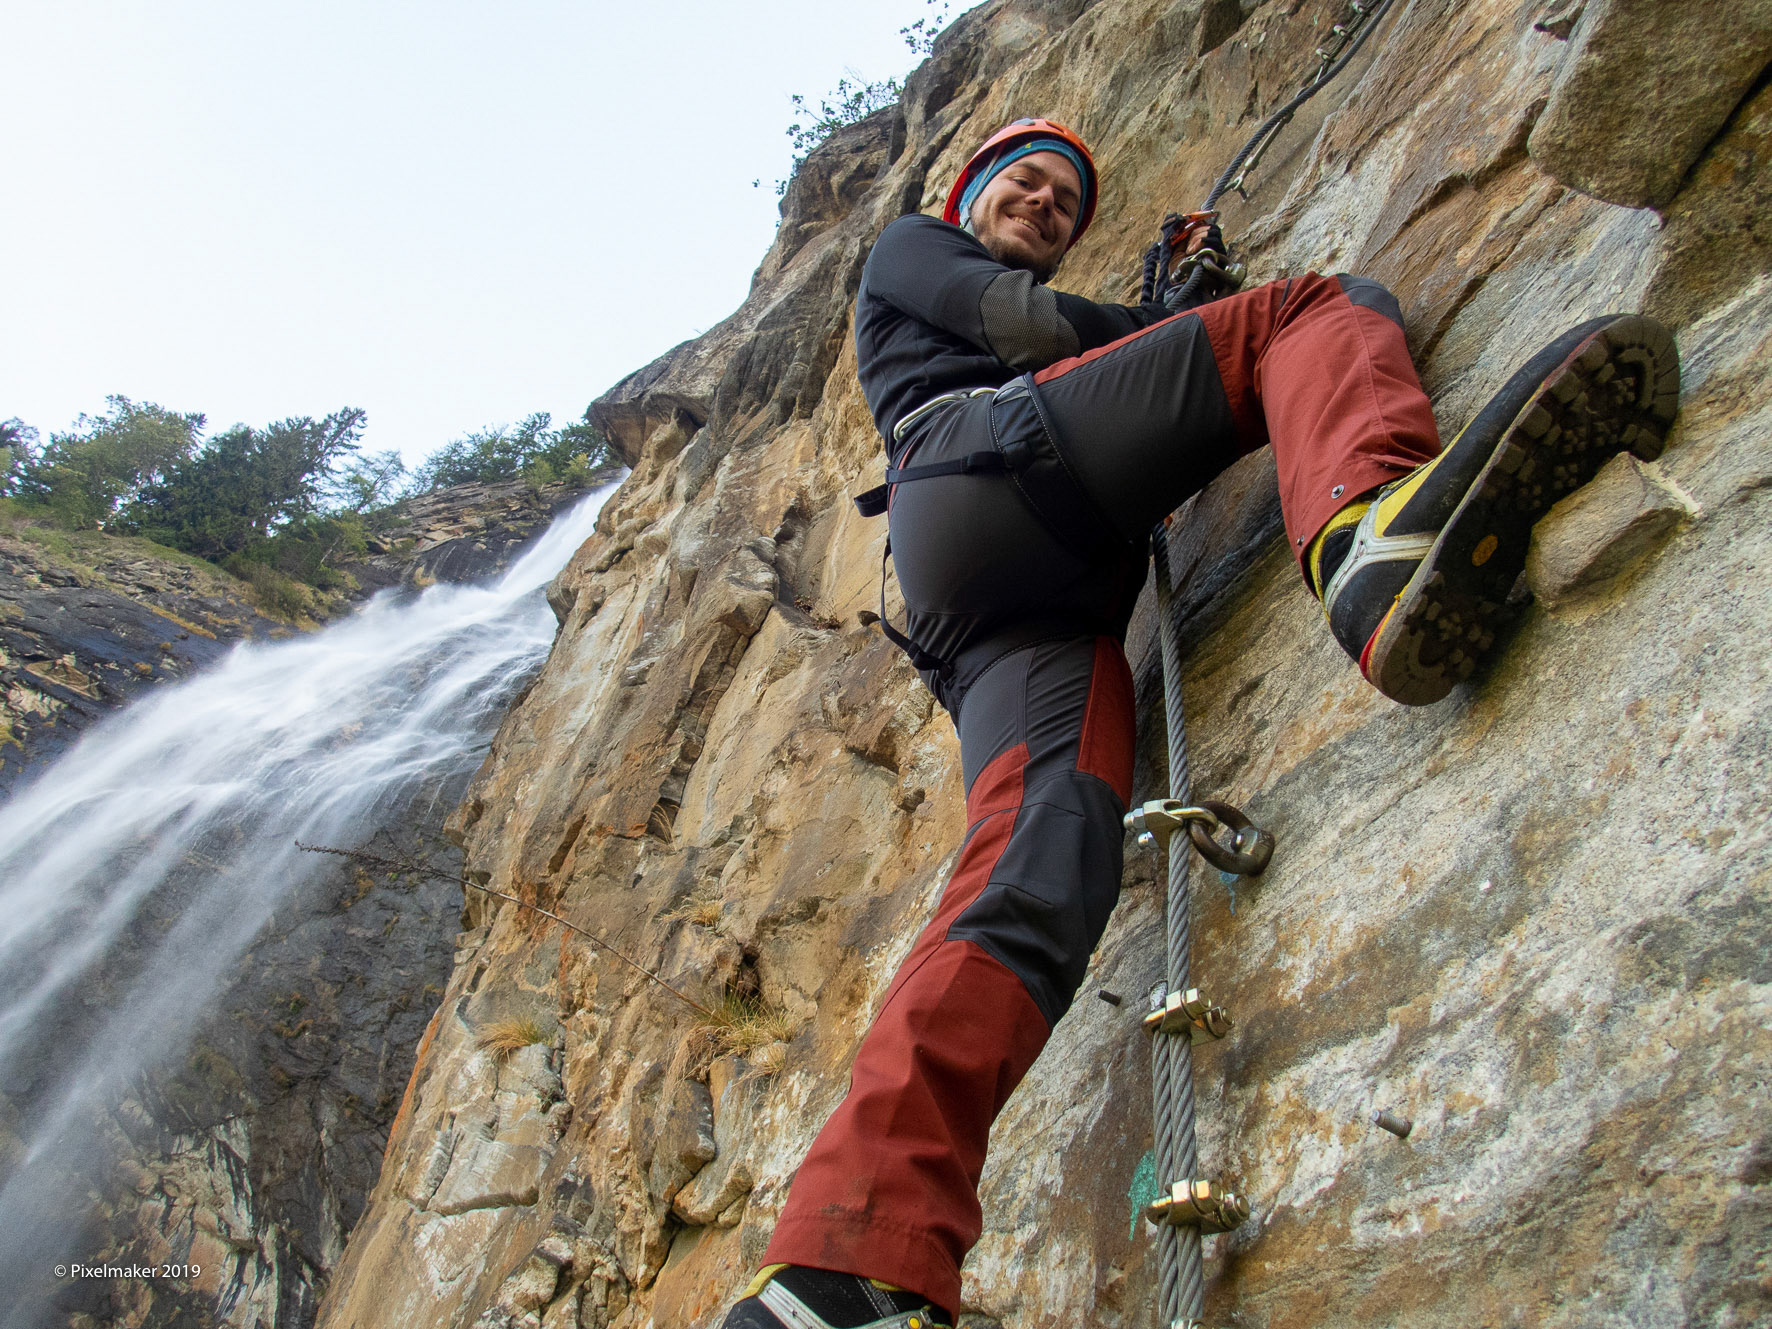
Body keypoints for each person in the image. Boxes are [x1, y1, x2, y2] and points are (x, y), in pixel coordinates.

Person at [720, 118, 1679, 1329]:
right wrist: (1177, 320)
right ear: (964, 195)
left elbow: (1071, 345)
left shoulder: (966, 280)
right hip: (989, 466)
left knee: (1037, 861)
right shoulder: (912, 246)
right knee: (1309, 310)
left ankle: (843, 1268)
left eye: (1064, 204)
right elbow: (1028, 331)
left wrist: (1162, 319)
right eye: (1026, 182)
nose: (1044, 204)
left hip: (1006, 600)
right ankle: (1367, 534)